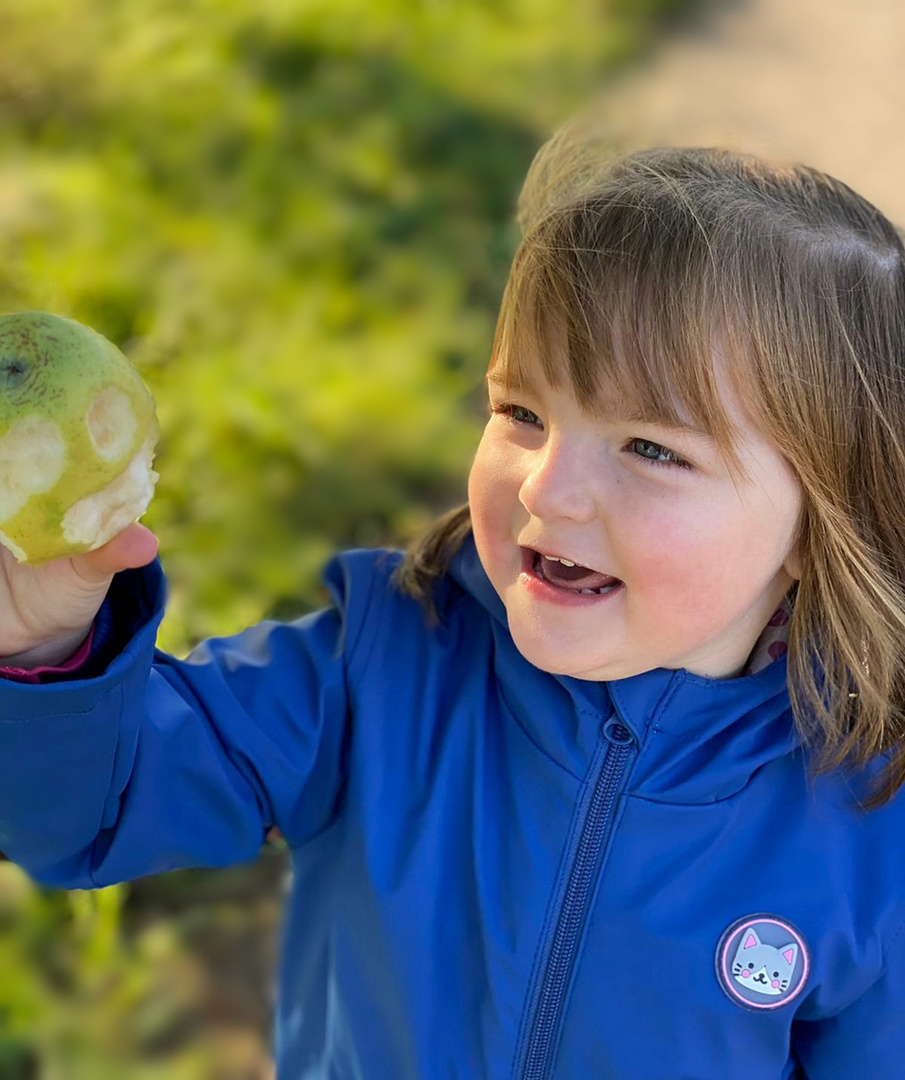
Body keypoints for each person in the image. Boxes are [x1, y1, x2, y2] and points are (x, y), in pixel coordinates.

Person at [1, 117, 905, 1079]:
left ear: (819, 524)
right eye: (522, 412)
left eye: (650, 448)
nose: (547, 490)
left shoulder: (867, 825)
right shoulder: (376, 674)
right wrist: (45, 647)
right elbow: (87, 813)